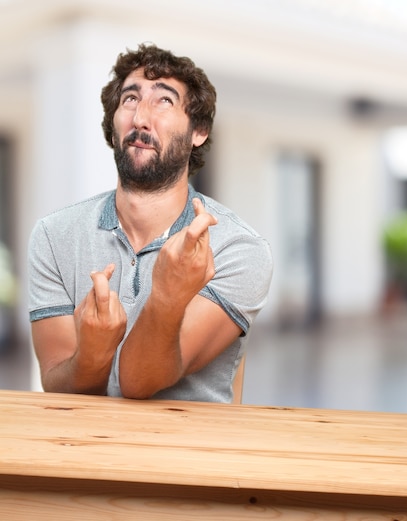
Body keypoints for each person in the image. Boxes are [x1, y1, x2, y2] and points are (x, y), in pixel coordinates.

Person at [27, 43, 273, 403]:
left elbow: (140, 382)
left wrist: (167, 297)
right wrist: (91, 356)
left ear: (198, 132)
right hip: (83, 452)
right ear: (113, 128)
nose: (140, 118)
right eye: (129, 99)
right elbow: (57, 385)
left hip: (189, 454)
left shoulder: (239, 249)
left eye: (164, 101)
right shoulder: (53, 236)